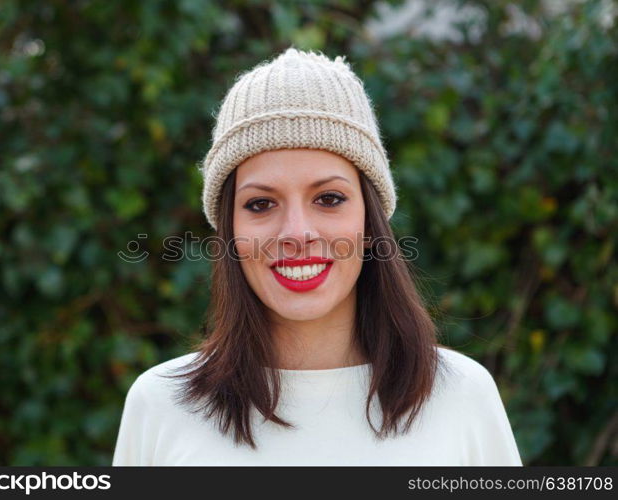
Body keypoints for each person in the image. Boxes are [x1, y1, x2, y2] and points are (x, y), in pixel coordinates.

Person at [112, 47, 523, 466]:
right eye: (260, 204)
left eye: (328, 198)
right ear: (229, 230)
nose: (296, 234)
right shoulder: (161, 406)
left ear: (370, 221)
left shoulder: (461, 397)